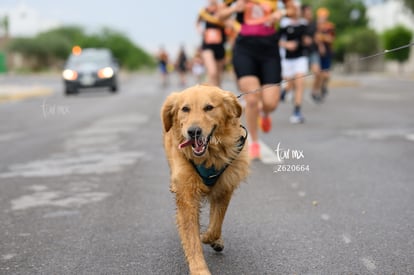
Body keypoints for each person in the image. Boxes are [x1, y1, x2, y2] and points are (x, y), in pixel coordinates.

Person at [218, 0, 294, 159]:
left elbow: (294, 10)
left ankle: (265, 113)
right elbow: (220, 15)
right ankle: (254, 142)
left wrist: (282, 13)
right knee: (252, 99)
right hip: (245, 47)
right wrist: (233, 8)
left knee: (271, 102)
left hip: (269, 49)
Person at [279, 2, 308, 123]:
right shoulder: (283, 23)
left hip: (300, 57)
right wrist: (287, 45)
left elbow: (307, 40)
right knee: (290, 83)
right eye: (293, 8)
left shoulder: (304, 24)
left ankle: (297, 111)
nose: (296, 10)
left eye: (297, 8)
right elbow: (276, 40)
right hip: (287, 59)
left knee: (300, 81)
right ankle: (285, 91)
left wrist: (307, 41)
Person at [196, 0, 227, 86]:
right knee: (212, 72)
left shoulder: (222, 10)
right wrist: (199, 29)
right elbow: (197, 22)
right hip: (207, 46)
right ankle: (210, 93)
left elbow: (228, 22)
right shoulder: (205, 12)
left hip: (220, 46)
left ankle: (217, 94)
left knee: (218, 75)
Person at [301, 4, 322, 103]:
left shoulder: (314, 23)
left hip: (313, 51)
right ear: (303, 13)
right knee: (299, 77)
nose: (310, 14)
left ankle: (314, 92)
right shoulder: (300, 24)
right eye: (307, 12)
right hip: (302, 52)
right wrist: (303, 39)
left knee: (318, 73)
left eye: (310, 12)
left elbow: (317, 35)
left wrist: (320, 45)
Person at [314, 7, 335, 99]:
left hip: (328, 52)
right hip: (318, 53)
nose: (322, 18)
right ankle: (317, 90)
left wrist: (322, 37)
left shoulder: (329, 26)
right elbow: (316, 38)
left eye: (324, 16)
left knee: (327, 74)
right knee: (320, 73)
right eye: (321, 16)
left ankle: (323, 86)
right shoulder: (315, 26)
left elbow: (331, 39)